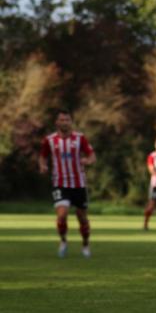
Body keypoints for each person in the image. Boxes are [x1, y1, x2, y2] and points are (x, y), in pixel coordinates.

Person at [39, 109, 96, 258]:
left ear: (71, 122)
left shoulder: (80, 138)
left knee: (82, 217)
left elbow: (92, 155)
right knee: (62, 214)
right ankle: (63, 241)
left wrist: (87, 160)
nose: (64, 122)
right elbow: (43, 156)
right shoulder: (50, 140)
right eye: (62, 120)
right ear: (57, 122)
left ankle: (85, 244)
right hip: (60, 183)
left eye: (67, 120)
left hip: (78, 184)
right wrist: (43, 166)